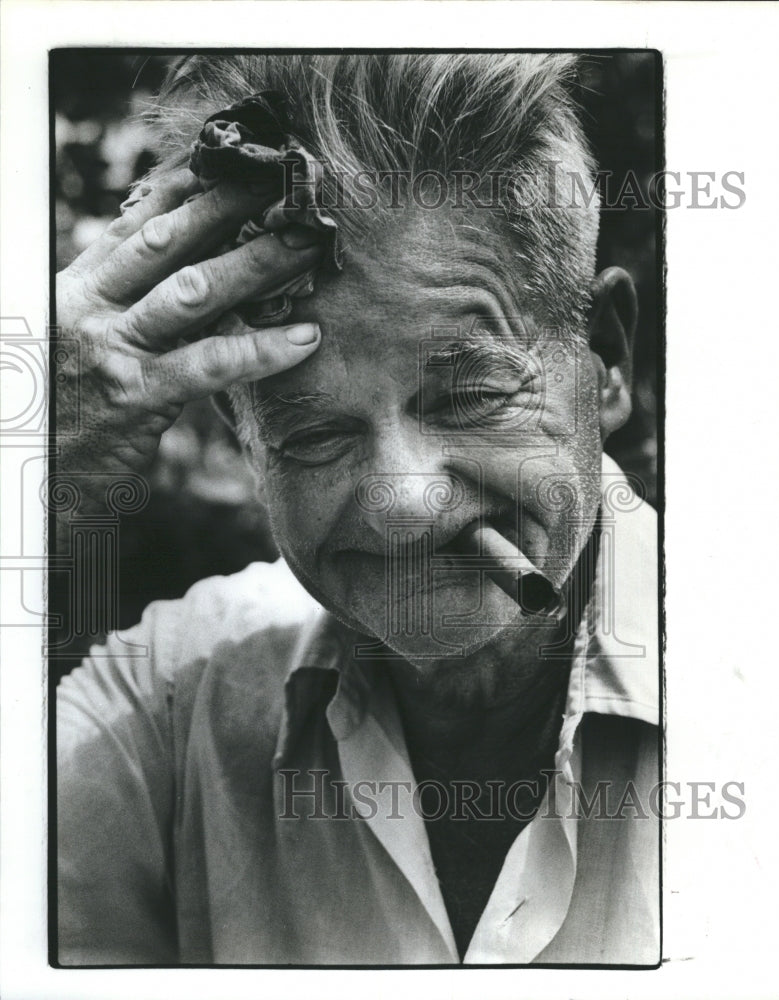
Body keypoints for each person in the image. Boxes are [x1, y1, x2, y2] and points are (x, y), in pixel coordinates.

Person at [56, 53, 659, 965]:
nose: (404, 505)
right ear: (246, 436)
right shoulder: (171, 702)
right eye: (313, 433)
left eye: (470, 396)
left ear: (604, 360)